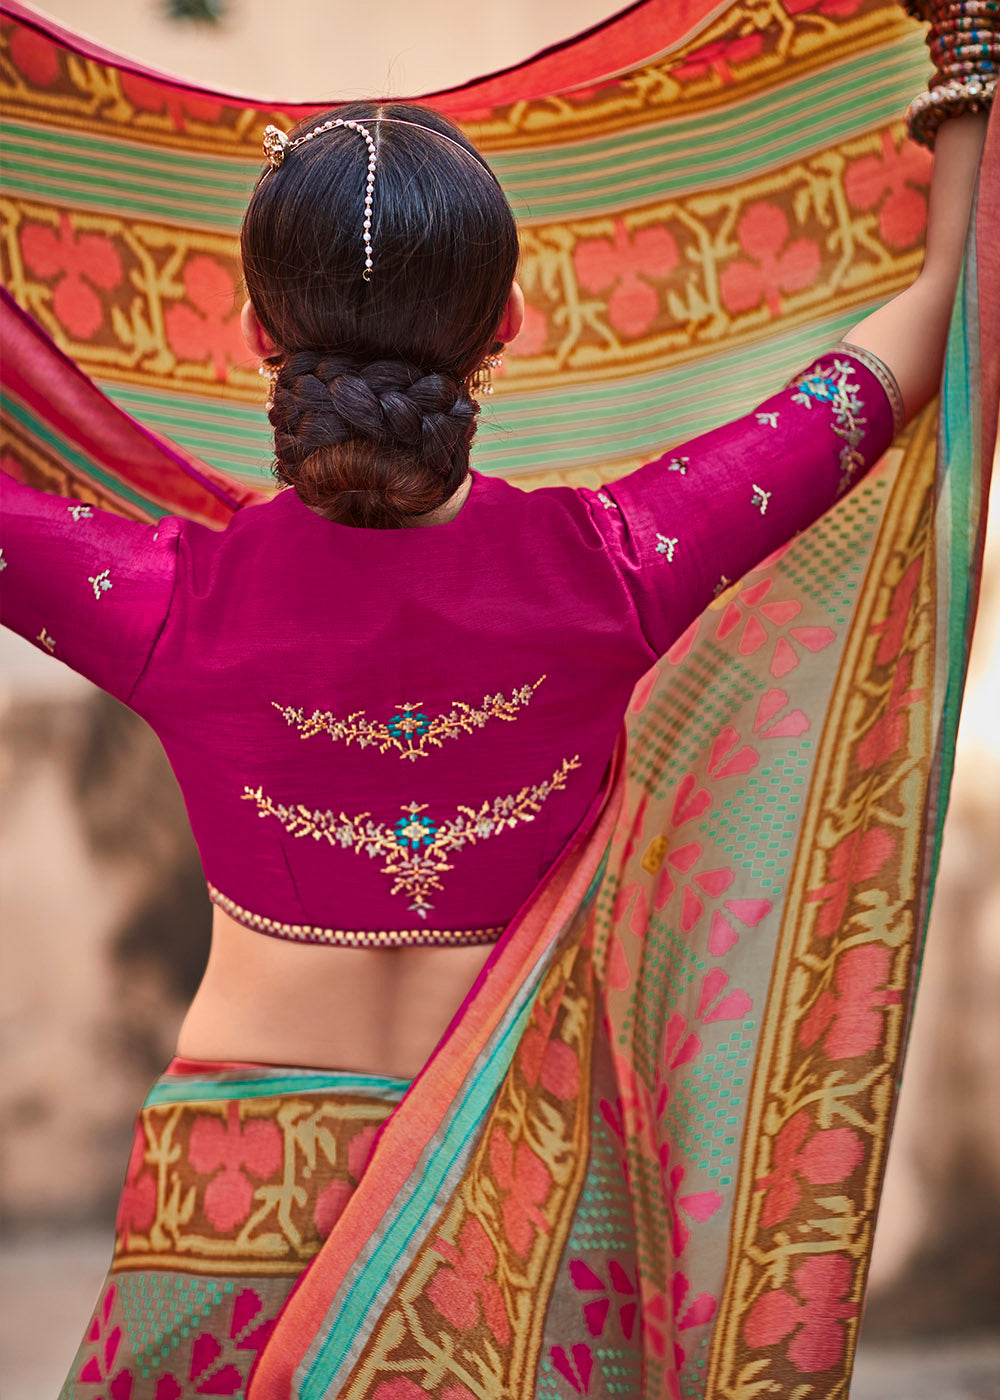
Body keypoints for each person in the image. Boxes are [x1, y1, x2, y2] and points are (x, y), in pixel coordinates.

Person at [0, 13, 995, 1396]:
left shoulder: (174, 599)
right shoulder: (618, 567)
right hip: (526, 1233)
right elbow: (928, 327)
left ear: (252, 333)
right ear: (510, 326)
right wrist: (972, 68)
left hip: (226, 1220)